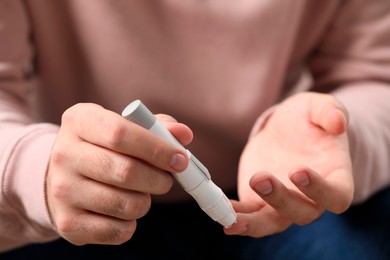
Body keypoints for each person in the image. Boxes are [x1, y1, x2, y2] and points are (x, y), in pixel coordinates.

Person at [1, 0, 390, 259]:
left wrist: (330, 134)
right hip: (76, 195)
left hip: (267, 197)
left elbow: (375, 73)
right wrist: (40, 171)